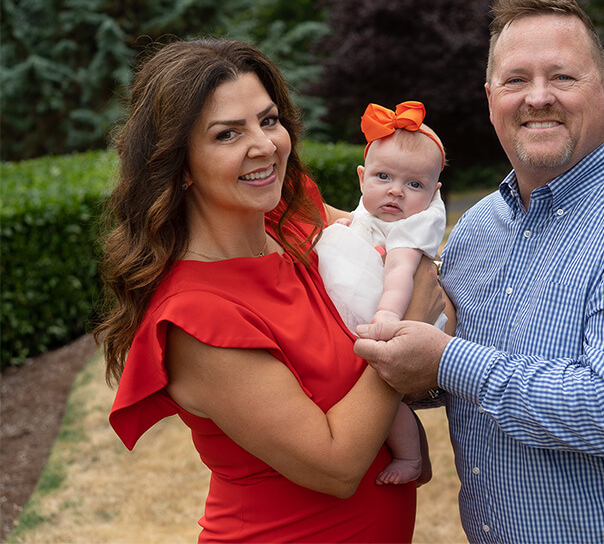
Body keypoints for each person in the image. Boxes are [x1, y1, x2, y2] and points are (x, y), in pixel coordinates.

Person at [354, 0, 604, 543]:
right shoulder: (476, 231)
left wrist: (448, 362)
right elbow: (450, 374)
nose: (537, 97)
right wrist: (415, 372)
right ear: (490, 99)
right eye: (515, 80)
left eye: (562, 77)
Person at [94, 38, 444, 543]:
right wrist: (406, 321)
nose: (263, 145)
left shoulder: (293, 221)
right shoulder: (198, 316)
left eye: (269, 120)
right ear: (180, 165)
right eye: (227, 134)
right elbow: (336, 464)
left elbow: (407, 252)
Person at [315, 100, 447, 485]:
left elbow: (400, 275)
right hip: (359, 311)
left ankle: (410, 458)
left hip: (395, 314)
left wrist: (389, 315)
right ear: (361, 178)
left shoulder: (410, 229)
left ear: (435, 192)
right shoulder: (364, 214)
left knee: (384, 397)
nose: (396, 193)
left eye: (414, 185)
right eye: (383, 177)